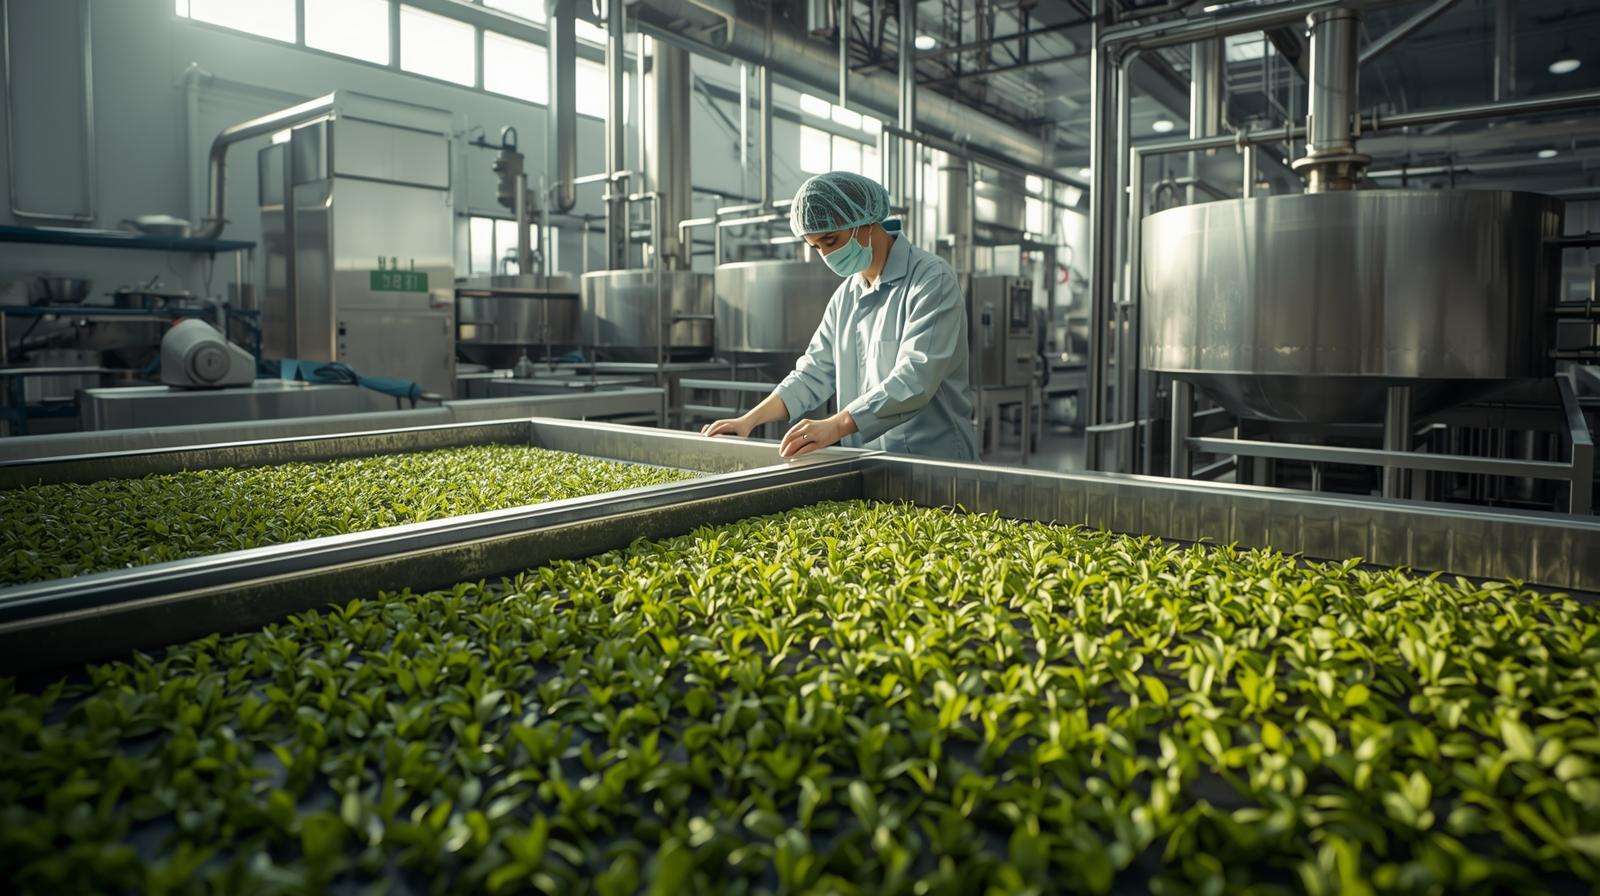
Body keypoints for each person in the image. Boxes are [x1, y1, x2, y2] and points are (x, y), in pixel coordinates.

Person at [701, 171, 980, 460]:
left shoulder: (931, 279)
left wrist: (835, 426)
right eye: (816, 247)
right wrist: (749, 421)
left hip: (935, 461)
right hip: (867, 463)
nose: (825, 255)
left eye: (831, 241)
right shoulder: (846, 296)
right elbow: (813, 372)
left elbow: (916, 379)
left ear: (865, 223)